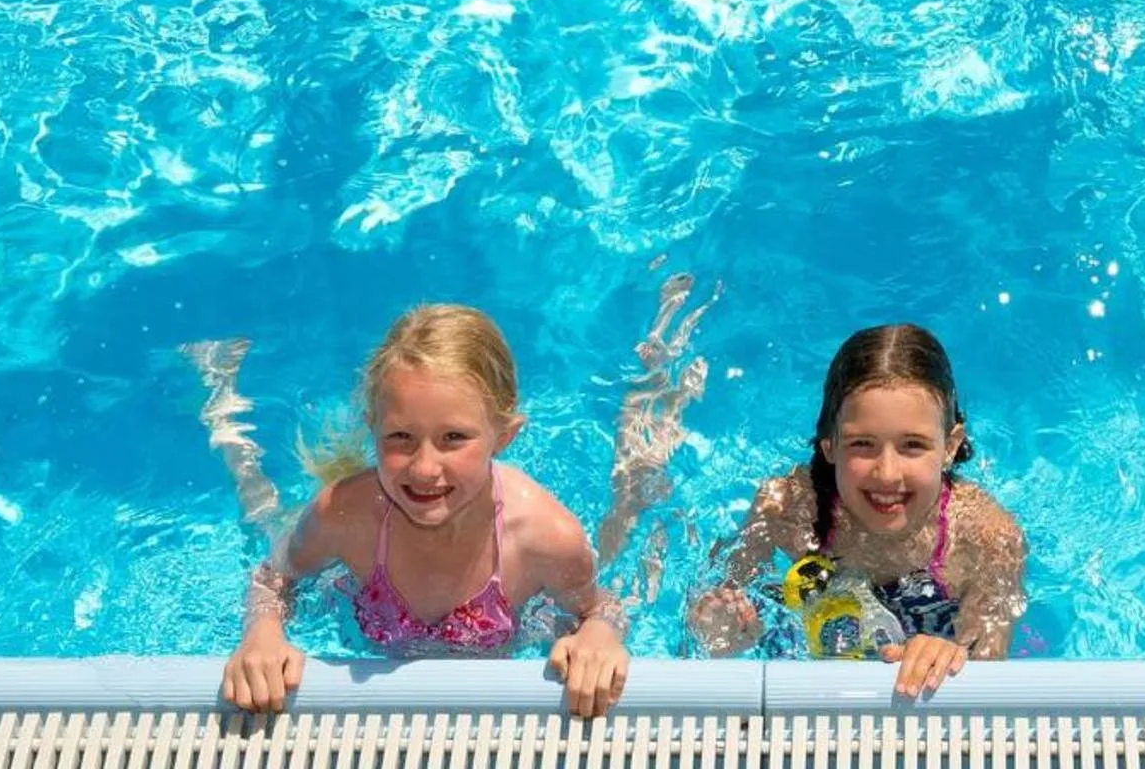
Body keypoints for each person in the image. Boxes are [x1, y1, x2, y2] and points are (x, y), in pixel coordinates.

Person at [219, 305, 630, 716]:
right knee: (264, 515)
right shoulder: (343, 515)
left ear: (503, 436)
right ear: (373, 428)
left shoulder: (544, 536)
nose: (424, 468)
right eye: (400, 437)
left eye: (454, 438)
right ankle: (224, 415)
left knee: (625, 516)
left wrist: (599, 633)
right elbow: (274, 580)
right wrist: (262, 633)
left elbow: (599, 606)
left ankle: (649, 403)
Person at [687, 324, 1025, 698]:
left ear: (950, 445)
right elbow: (715, 595)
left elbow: (988, 676)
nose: (887, 473)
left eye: (913, 445)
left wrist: (951, 657)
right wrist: (721, 628)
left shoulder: (986, 539)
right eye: (862, 444)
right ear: (829, 445)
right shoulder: (788, 507)